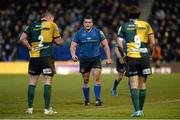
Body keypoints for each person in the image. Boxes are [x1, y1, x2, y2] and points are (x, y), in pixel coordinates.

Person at [20, 10, 63, 115]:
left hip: (34, 57)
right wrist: (51, 39)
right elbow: (59, 42)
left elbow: (22, 39)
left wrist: (30, 48)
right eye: (53, 19)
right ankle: (47, 110)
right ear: (49, 18)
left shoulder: (32, 25)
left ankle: (30, 109)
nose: (53, 20)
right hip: (46, 57)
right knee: (47, 81)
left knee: (32, 82)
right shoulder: (52, 25)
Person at [117, 6, 155, 117]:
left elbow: (119, 43)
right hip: (143, 57)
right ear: (139, 15)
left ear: (129, 16)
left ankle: (137, 110)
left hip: (132, 57)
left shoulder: (123, 26)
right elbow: (152, 43)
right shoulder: (146, 25)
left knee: (133, 84)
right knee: (143, 84)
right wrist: (150, 54)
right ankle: (141, 110)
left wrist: (123, 54)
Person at [70, 15, 112, 106]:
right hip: (84, 59)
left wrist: (108, 58)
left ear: (92, 24)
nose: (87, 24)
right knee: (86, 80)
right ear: (83, 23)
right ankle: (87, 100)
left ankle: (97, 99)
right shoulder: (79, 33)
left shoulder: (98, 32)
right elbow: (73, 46)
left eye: (89, 22)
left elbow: (106, 45)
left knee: (97, 77)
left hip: (95, 58)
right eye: (86, 22)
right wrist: (73, 55)